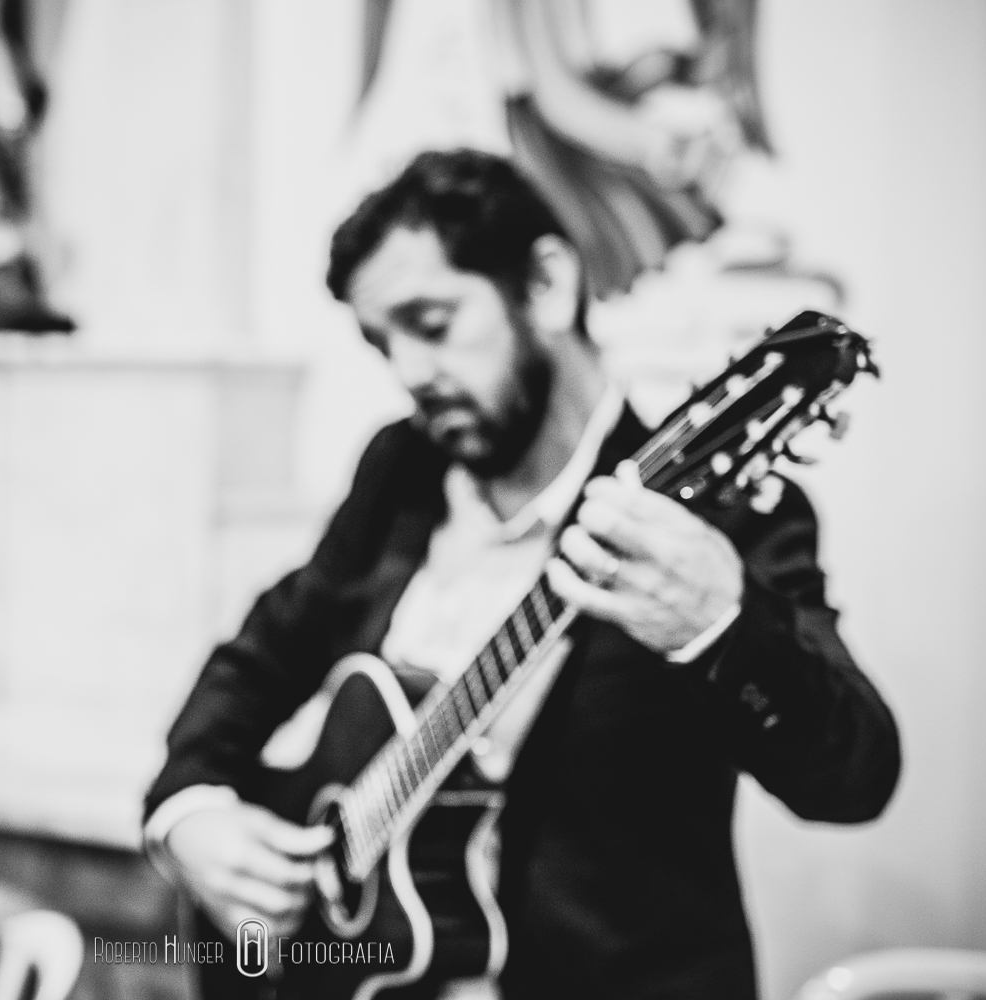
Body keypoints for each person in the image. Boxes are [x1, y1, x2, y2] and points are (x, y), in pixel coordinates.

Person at [142, 149, 900, 999]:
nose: (409, 374)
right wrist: (191, 812)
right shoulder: (401, 472)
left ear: (545, 284)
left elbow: (856, 775)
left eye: (431, 324)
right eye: (381, 342)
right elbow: (259, 657)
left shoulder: (713, 520)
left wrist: (720, 622)